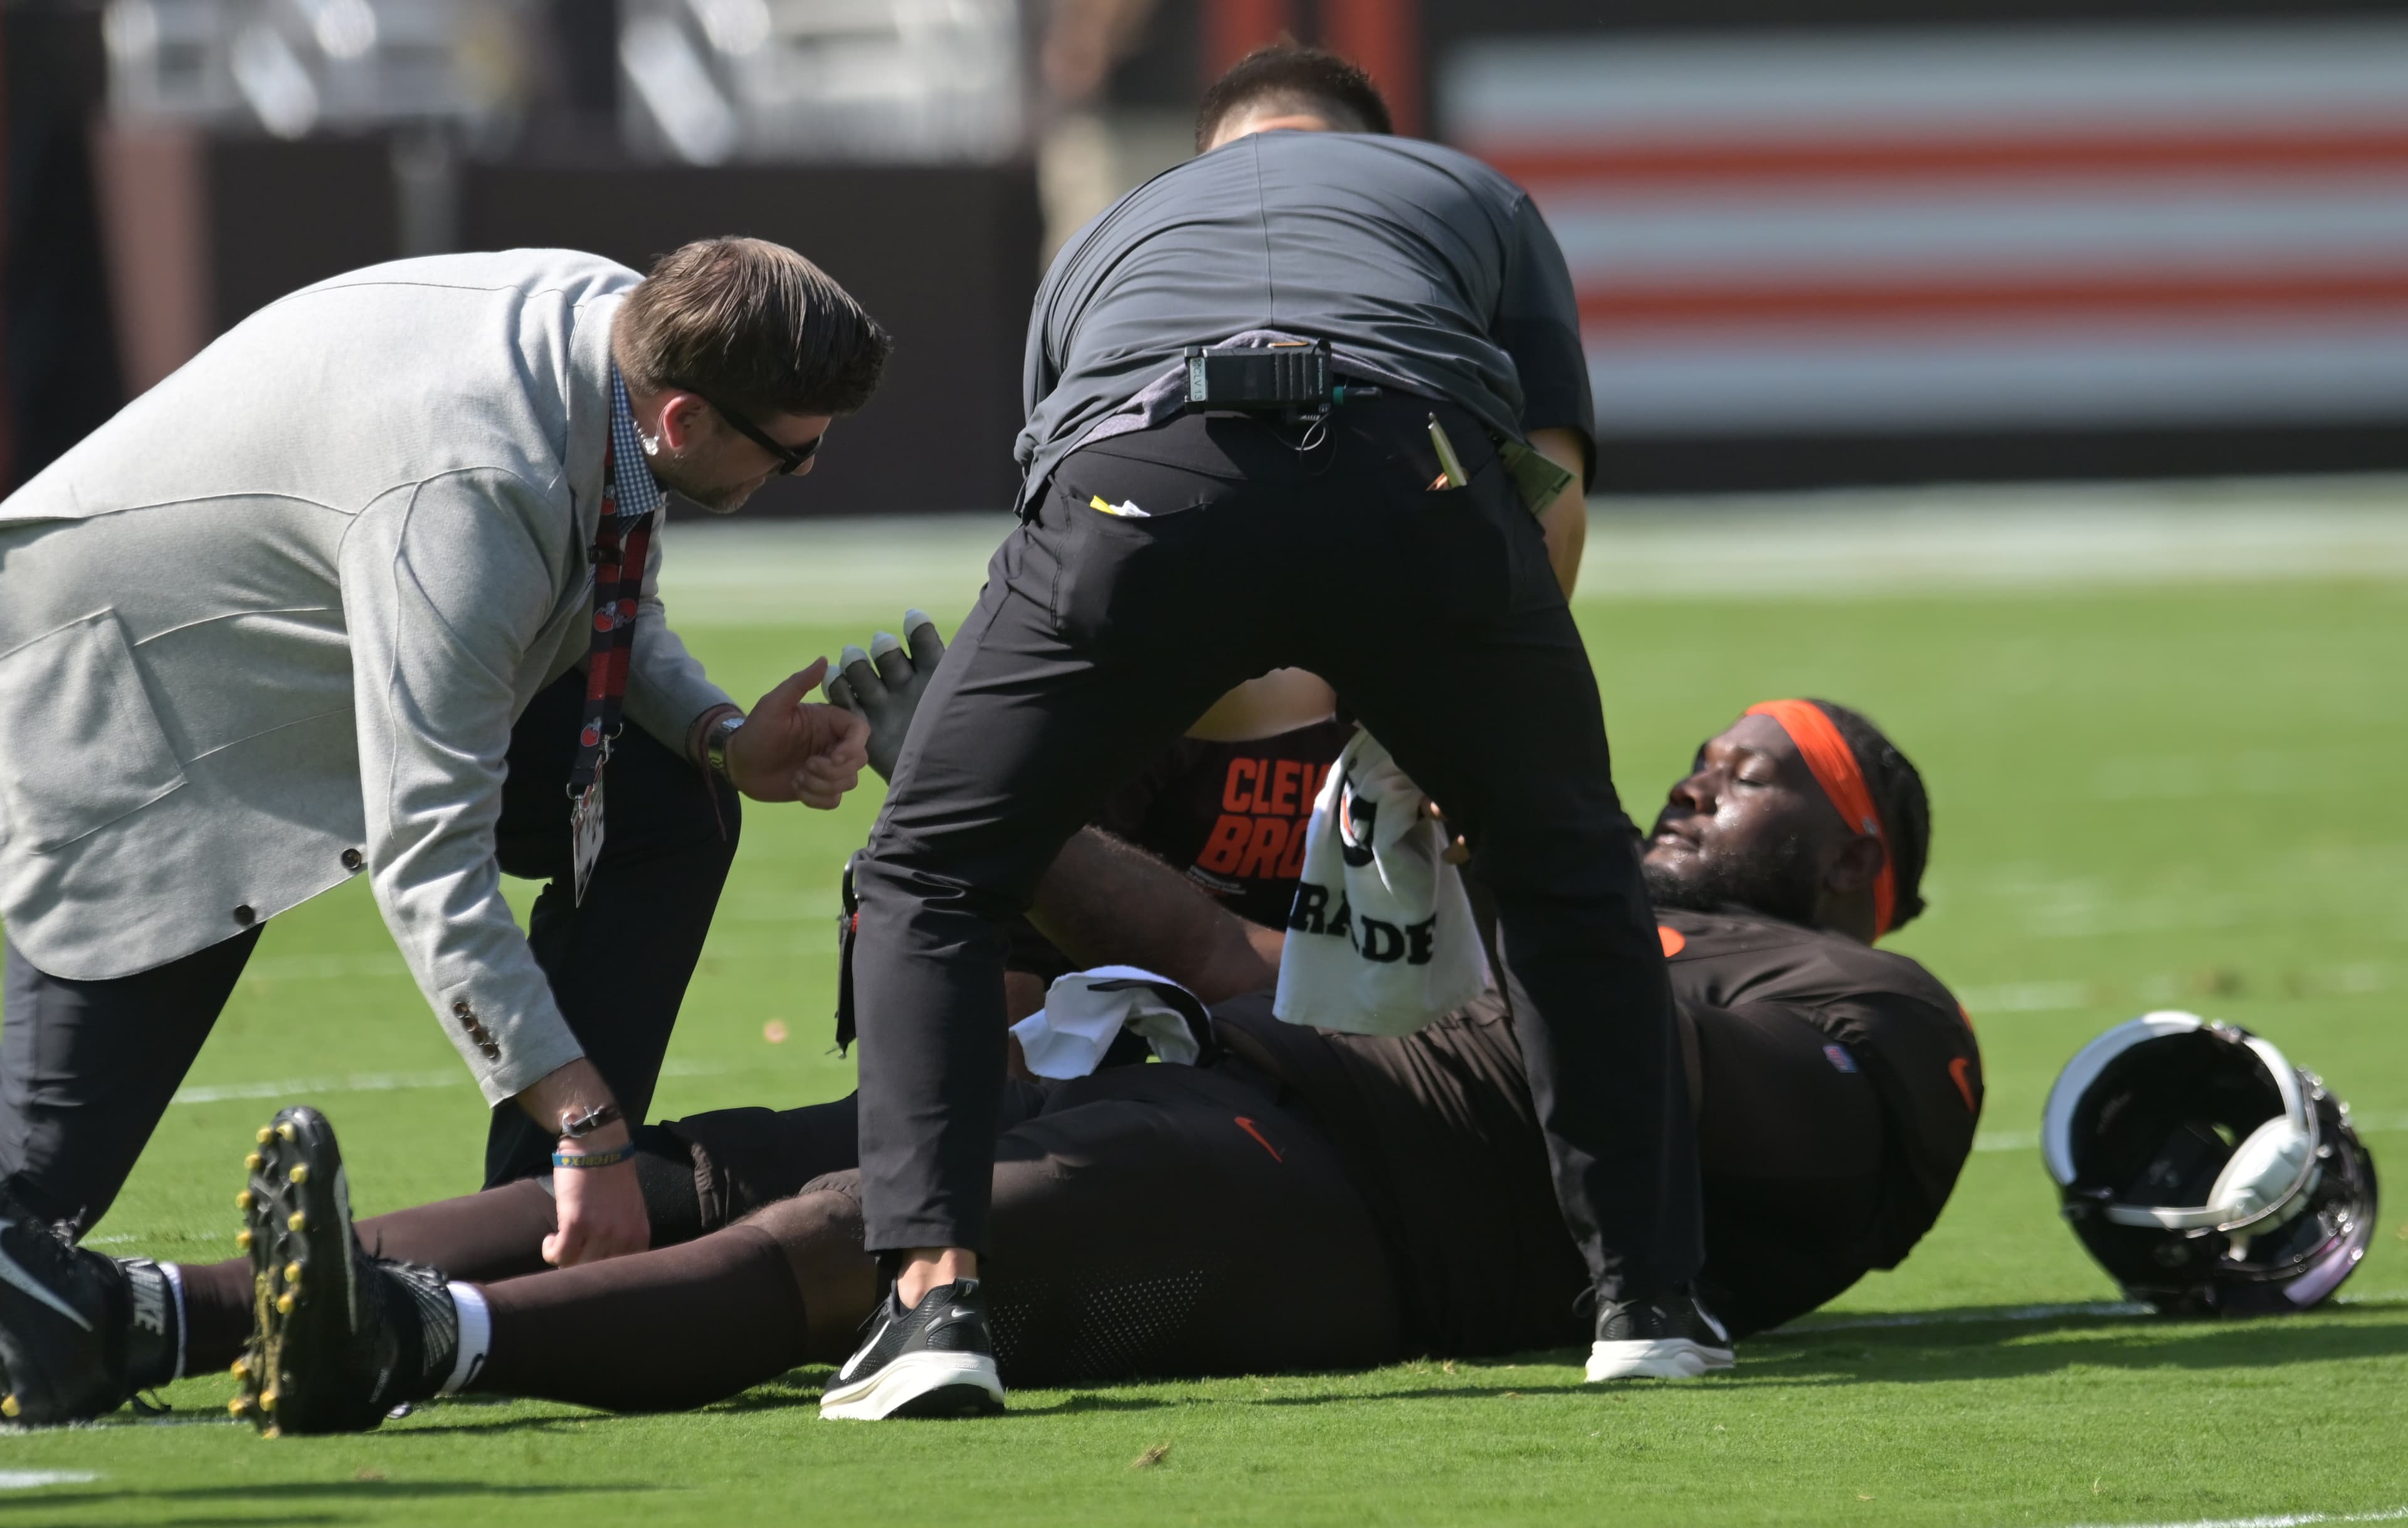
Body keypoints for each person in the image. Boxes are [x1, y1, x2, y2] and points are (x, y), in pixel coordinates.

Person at [0, 688, 1979, 1429]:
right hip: (1200, 1057)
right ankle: (141, 1317)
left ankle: (423, 1343)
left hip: (1366, 1215)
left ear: (1860, 868)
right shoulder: (1534, 899)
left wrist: (1551, 926)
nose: (1713, 763)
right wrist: (984, 789)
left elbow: (1800, 1158)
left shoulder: (1873, 1008)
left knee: (890, 1229)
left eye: (1774, 767)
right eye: (1712, 751)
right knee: (714, 1161)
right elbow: (1242, 954)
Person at [838, 41, 1704, 1415]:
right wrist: (1460, 741)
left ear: (1215, 151)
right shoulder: (1469, 190)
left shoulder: (1117, 225)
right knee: (1569, 874)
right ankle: (1644, 1297)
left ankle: (935, 1304)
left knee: (930, 871)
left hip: (1142, 481)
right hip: (1412, 481)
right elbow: (1558, 492)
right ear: (1369, 139)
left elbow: (1081, 512)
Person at [0, 240, 881, 1268]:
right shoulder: (473, 493)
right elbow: (430, 862)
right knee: (36, 1195)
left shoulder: (620, 331)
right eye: (792, 453)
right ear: (683, 420)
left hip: (283, 626)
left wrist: (719, 739)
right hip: (130, 696)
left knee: (665, 802)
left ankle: (514, 1257)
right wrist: (586, 1124)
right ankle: (554, 1198)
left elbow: (608, 589)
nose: (806, 467)